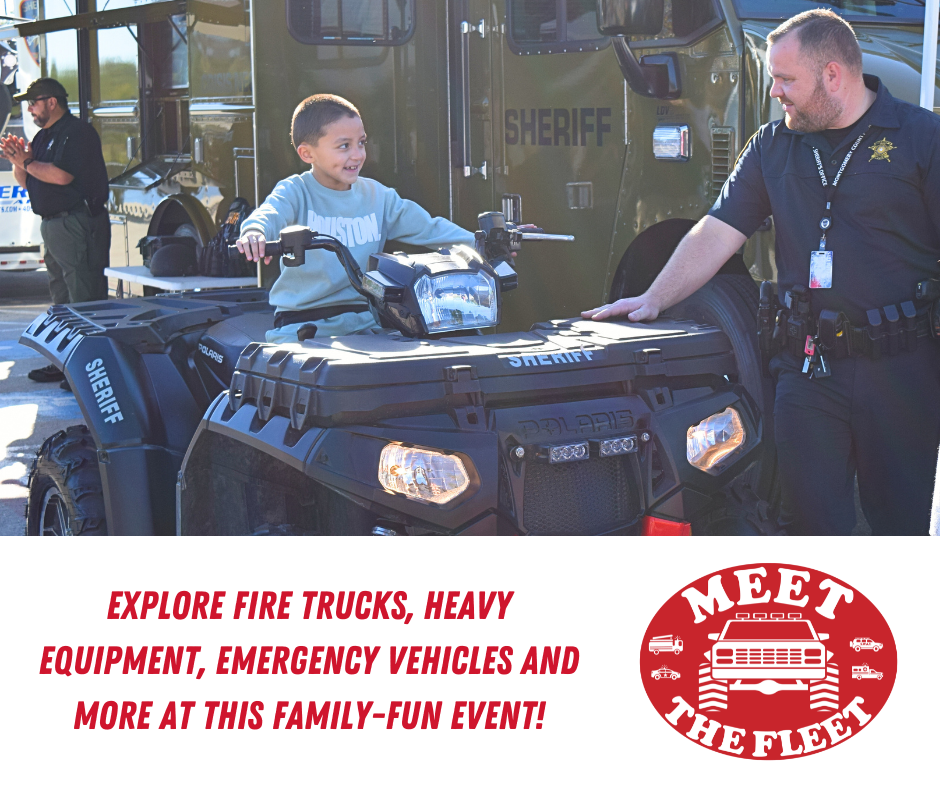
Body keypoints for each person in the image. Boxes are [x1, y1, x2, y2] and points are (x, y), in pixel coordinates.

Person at [582, 10, 940, 536]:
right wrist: (653, 298)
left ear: (833, 75)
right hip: (808, 372)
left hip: (901, 373)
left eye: (786, 79)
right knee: (812, 531)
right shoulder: (772, 145)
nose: (775, 91)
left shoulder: (920, 138)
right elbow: (716, 231)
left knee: (899, 531)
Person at [238, 94, 474, 342]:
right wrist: (254, 233)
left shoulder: (378, 196)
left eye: (361, 142)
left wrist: (479, 243)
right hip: (304, 325)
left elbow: (431, 228)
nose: (358, 154)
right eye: (344, 146)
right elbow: (269, 214)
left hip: (369, 322)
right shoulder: (295, 191)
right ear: (307, 154)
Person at [0, 78, 110, 386]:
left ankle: (89, 372)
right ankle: (64, 363)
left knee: (84, 298)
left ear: (52, 102)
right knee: (61, 299)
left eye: (33, 103)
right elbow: (27, 181)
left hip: (75, 223)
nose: (30, 109)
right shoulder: (43, 136)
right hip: (53, 225)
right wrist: (18, 161)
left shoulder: (77, 133)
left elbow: (61, 177)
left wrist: (28, 161)